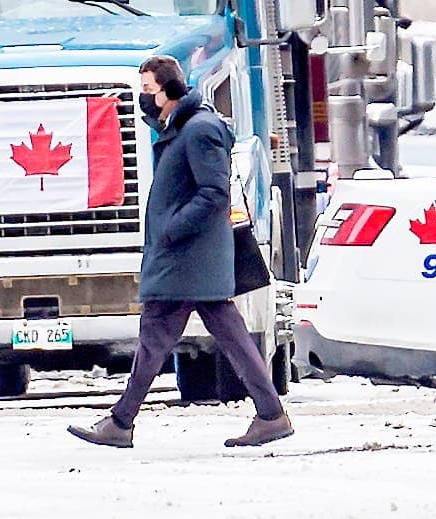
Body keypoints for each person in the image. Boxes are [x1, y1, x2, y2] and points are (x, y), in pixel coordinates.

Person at [67, 56, 290, 451]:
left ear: (170, 90)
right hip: (191, 259)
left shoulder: (198, 131)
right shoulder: (187, 127)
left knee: (155, 338)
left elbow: (213, 193)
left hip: (186, 258)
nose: (143, 100)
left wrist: (172, 230)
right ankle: (271, 414)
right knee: (229, 334)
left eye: (148, 91)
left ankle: (121, 422)